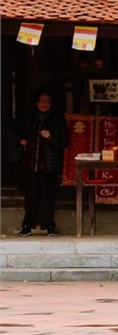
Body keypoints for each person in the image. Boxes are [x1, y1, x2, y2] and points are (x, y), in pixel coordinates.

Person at [10, 90, 67, 236]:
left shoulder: (57, 121)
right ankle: (27, 226)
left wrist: (51, 137)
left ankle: (49, 226)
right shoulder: (27, 119)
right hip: (29, 163)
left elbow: (64, 142)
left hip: (48, 164)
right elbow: (6, 129)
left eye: (47, 101)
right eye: (41, 101)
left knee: (48, 196)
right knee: (30, 196)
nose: (44, 104)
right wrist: (20, 140)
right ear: (36, 103)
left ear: (51, 104)